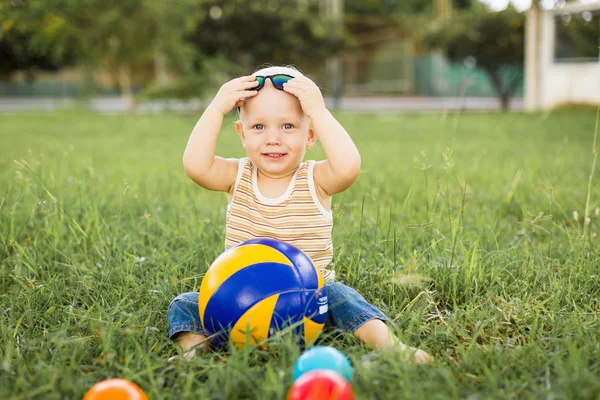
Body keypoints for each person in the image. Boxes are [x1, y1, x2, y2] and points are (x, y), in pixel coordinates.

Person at [167, 65, 433, 364]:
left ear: (311, 135)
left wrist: (318, 110)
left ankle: (391, 347)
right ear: (242, 134)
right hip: (241, 299)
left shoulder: (315, 179)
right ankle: (194, 352)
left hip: (309, 300)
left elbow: (348, 166)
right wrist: (217, 108)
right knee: (186, 304)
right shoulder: (236, 174)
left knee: (342, 297)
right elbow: (196, 165)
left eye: (288, 126)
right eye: (258, 127)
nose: (273, 139)